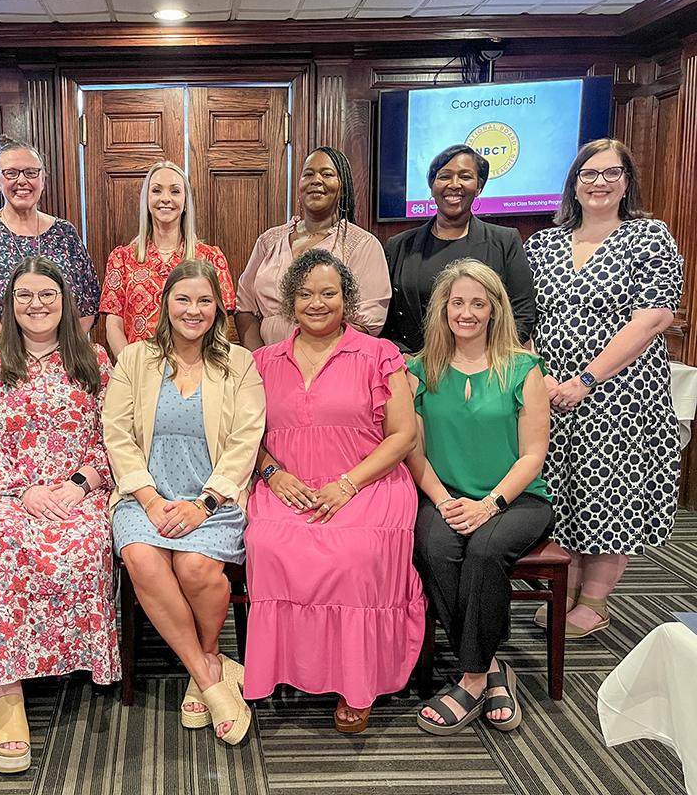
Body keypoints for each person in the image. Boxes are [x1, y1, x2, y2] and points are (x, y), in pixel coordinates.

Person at [0, 257, 120, 775]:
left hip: (75, 491)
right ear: (9, 302)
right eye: (24, 295)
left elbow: (115, 439)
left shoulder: (95, 359)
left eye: (47, 294)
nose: (36, 304)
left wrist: (78, 485)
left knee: (86, 546)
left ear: (66, 302)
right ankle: (7, 692)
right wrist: (23, 490)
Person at [243, 249, 425, 734]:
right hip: (287, 483)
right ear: (289, 302)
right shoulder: (261, 362)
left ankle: (356, 682)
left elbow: (402, 436)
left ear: (347, 299)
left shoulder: (379, 353)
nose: (317, 303)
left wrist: (347, 484)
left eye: (329, 293)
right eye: (305, 294)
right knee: (268, 543)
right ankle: (285, 668)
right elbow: (242, 438)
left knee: (354, 554)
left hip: (368, 481)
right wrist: (272, 474)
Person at [524, 138, 683, 639]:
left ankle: (595, 601)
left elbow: (653, 317)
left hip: (621, 391)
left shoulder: (648, 236)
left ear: (626, 182)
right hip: (548, 389)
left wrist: (587, 378)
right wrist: (539, 375)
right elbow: (522, 316)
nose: (598, 182)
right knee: (561, 489)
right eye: (588, 173)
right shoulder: (542, 243)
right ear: (574, 182)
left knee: (609, 494)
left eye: (610, 173)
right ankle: (564, 586)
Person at [103, 259, 264, 745]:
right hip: (145, 494)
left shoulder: (239, 363)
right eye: (183, 299)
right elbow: (116, 433)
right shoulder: (135, 359)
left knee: (196, 568)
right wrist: (150, 501)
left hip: (213, 496)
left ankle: (209, 656)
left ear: (218, 307)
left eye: (204, 300)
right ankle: (208, 673)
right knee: (141, 557)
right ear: (165, 304)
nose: (193, 310)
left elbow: (245, 441)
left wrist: (205, 504)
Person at [406, 260, 553, 736]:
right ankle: (493, 671)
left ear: (495, 310)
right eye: (457, 302)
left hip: (515, 499)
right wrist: (444, 501)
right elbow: (412, 448)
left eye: (478, 303)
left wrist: (489, 505)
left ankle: (470, 680)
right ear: (443, 309)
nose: (466, 312)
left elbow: (533, 455)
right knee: (434, 548)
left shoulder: (523, 368)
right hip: (444, 494)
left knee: (486, 551)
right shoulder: (417, 369)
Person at [381, 144, 536, 354]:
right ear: (432, 186)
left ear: (479, 186)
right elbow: (386, 320)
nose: (454, 184)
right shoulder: (399, 246)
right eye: (444, 176)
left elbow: (522, 313)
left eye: (465, 176)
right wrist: (404, 360)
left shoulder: (505, 241)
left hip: (484, 371)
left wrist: (486, 360)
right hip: (413, 371)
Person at [235, 147, 389, 349]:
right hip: (266, 365)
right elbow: (245, 307)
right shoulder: (269, 241)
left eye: (327, 174)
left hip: (332, 364)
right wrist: (260, 361)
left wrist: (310, 360)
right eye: (308, 174)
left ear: (343, 188)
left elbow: (366, 323)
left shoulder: (362, 244)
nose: (316, 180)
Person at [0, 136, 99, 338]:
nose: (22, 180)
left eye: (31, 173)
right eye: (11, 173)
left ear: (42, 179)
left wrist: (56, 353)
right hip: (0, 356)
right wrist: (23, 354)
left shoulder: (65, 233)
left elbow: (88, 305)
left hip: (63, 358)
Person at [100, 161, 236, 358]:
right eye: (156, 190)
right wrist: (131, 369)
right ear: (146, 199)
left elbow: (222, 322)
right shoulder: (122, 258)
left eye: (175, 191)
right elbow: (113, 325)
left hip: (195, 368)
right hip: (139, 370)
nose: (165, 198)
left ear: (186, 202)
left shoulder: (211, 258)